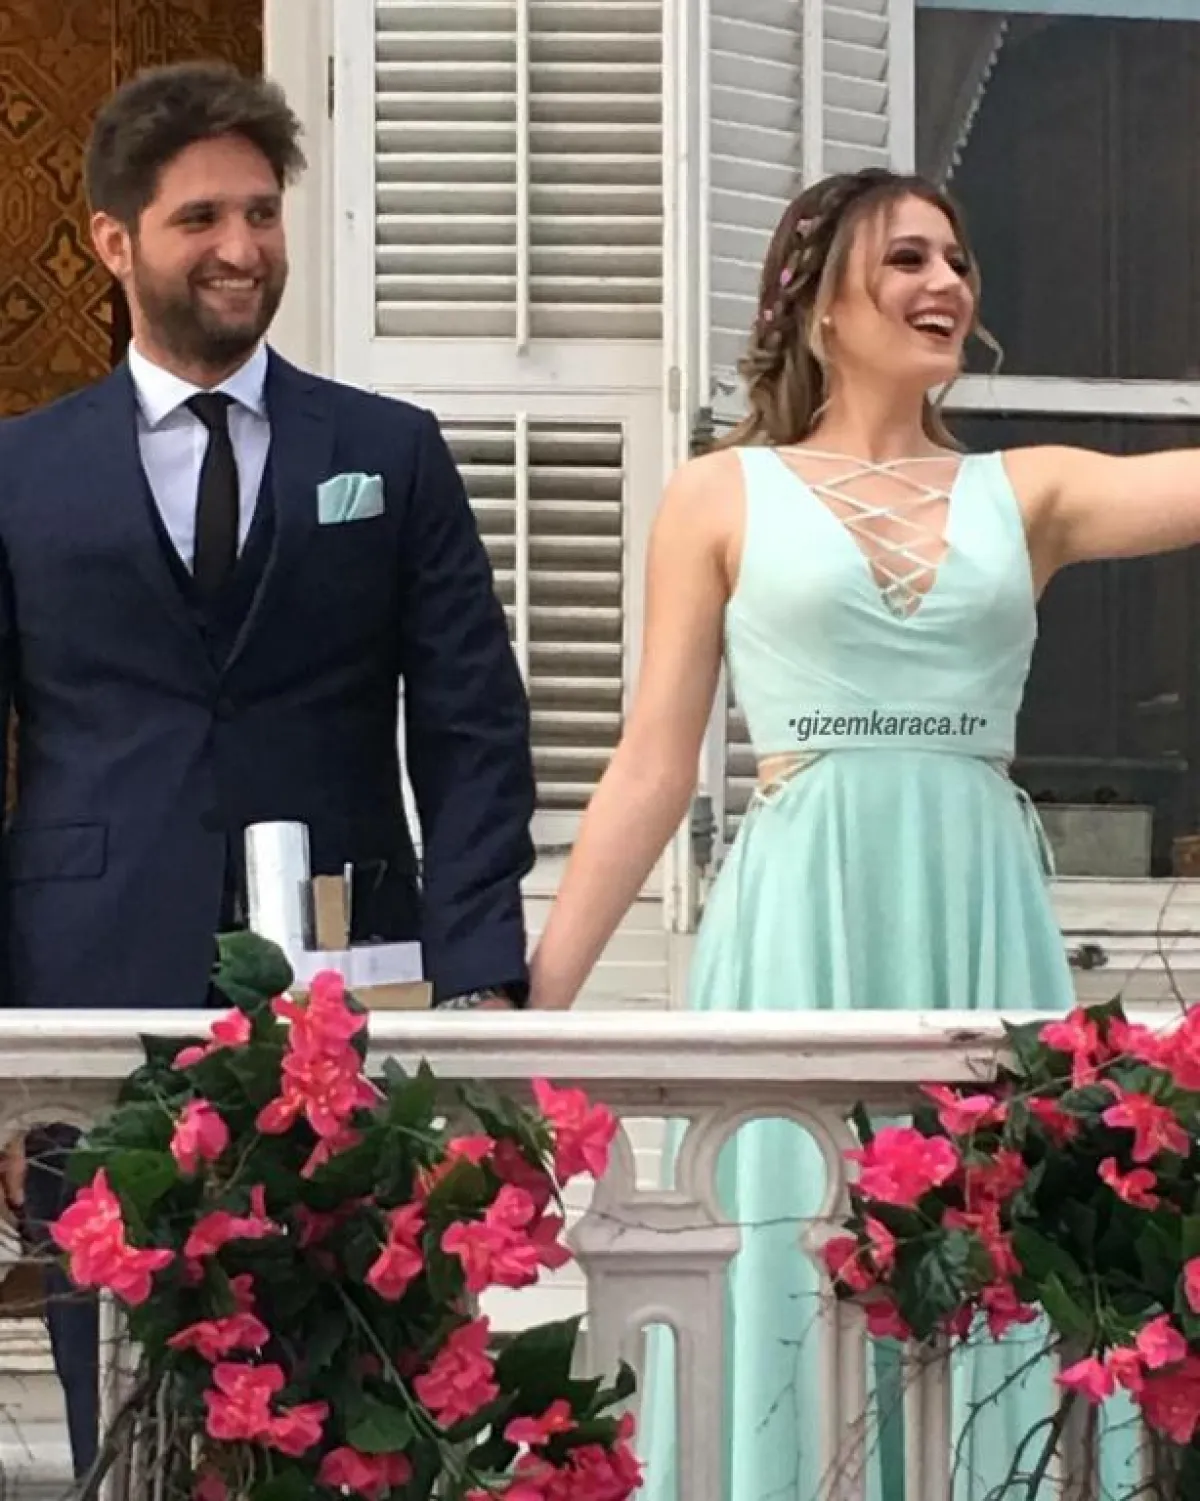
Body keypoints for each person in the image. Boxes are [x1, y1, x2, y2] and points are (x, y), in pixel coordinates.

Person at [525, 165, 1200, 1496]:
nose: (946, 283)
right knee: (787, 1251)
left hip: (977, 911)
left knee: (993, 1249)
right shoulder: (720, 494)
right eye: (906, 258)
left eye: (956, 261)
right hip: (800, 915)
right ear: (819, 304)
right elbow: (653, 766)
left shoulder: (1030, 492)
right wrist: (538, 1005)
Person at [0, 61, 536, 1477]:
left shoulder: (389, 451)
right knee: (129, 1414)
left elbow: (472, 727)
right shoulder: (18, 473)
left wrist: (480, 974)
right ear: (114, 240)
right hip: (84, 986)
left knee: (357, 1406)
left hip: (348, 989)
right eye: (199, 219)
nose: (241, 247)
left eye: (261, 212)